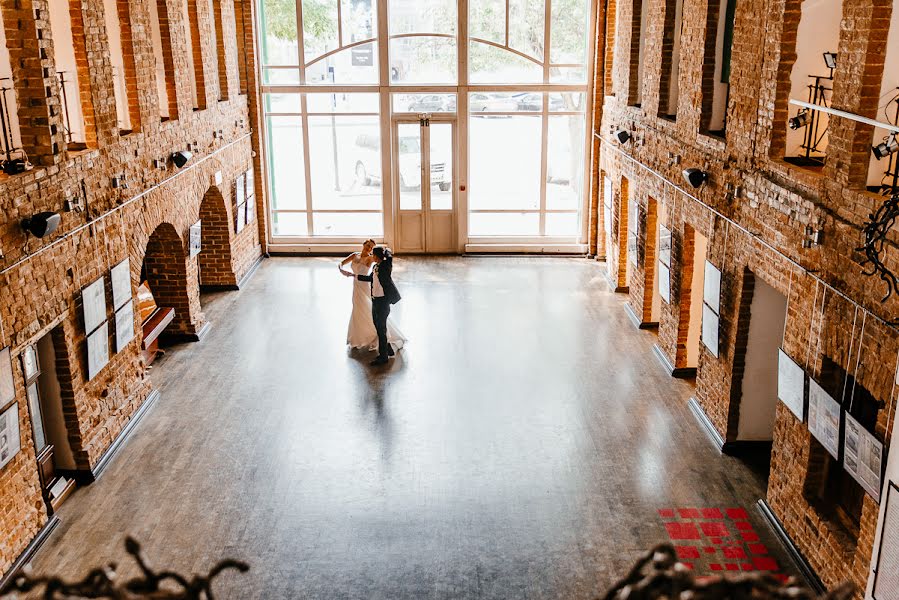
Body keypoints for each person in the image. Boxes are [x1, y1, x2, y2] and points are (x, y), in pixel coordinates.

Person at [338, 241, 405, 356]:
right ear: (364, 244)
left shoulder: (370, 259)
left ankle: (384, 338)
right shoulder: (355, 255)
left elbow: (383, 259)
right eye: (368, 245)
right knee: (358, 309)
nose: (369, 248)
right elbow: (341, 263)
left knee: (372, 311)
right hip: (357, 285)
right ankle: (359, 336)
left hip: (366, 287)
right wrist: (342, 270)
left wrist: (386, 252)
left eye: (371, 247)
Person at [354, 246, 401, 366]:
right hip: (375, 301)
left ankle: (383, 357)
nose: (371, 256)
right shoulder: (375, 267)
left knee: (381, 328)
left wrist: (386, 250)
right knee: (378, 326)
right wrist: (354, 276)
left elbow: (390, 255)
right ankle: (387, 348)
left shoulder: (386, 266)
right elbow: (370, 278)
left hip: (383, 302)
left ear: (377, 256)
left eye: (373, 254)